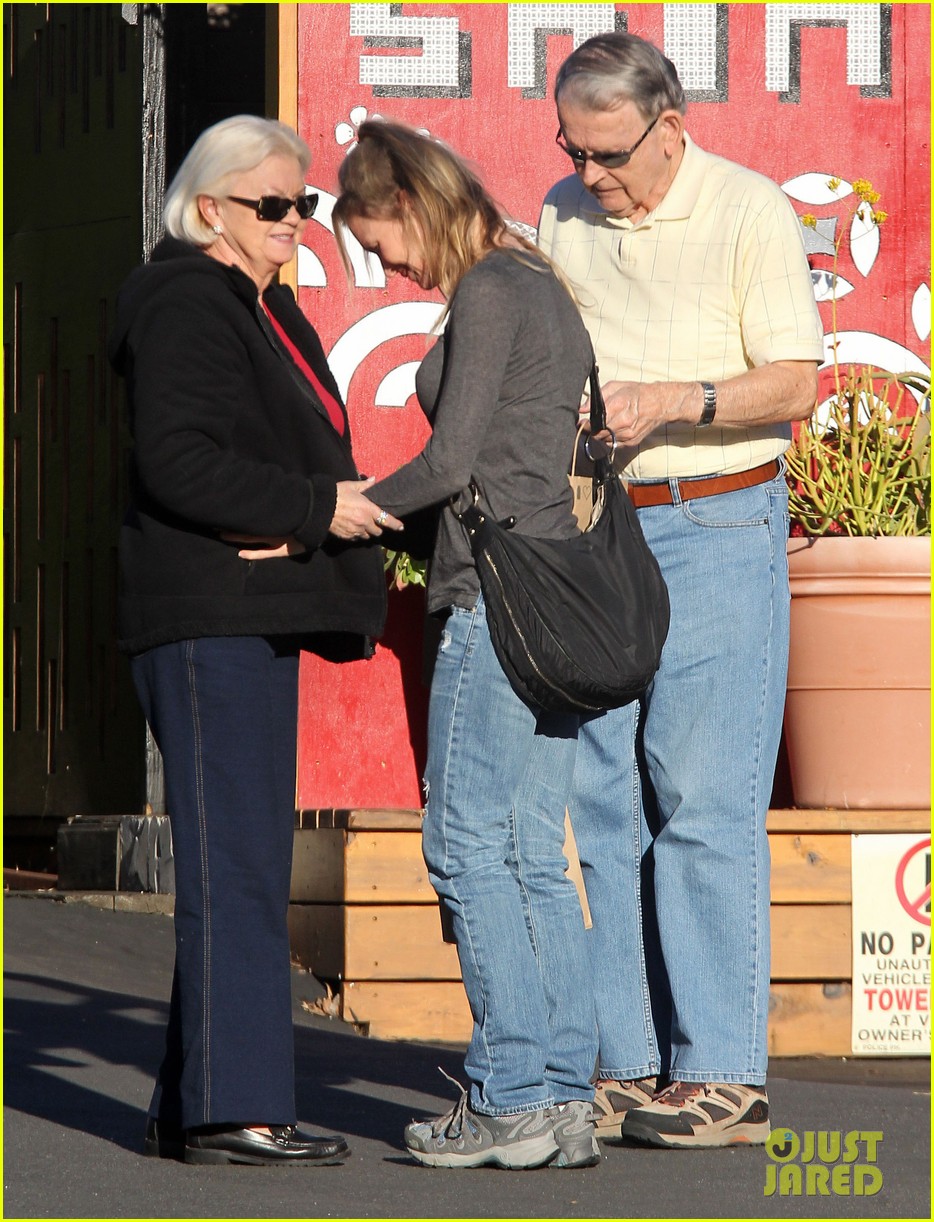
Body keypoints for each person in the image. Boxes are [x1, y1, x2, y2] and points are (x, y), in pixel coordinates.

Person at [538, 33, 824, 1149]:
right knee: (600, 798)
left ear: (670, 129)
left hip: (718, 516)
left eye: (608, 152)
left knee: (700, 799)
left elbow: (795, 382)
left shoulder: (749, 208)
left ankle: (723, 1076)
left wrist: (675, 399)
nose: (588, 172)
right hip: (598, 523)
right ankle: (625, 1062)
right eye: (572, 148)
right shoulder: (561, 211)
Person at [109, 114, 402, 1166]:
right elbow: (178, 462)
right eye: (272, 204)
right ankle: (234, 1110)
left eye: (303, 203)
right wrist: (313, 509)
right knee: (236, 865)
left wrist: (321, 513)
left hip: (242, 618)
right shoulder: (188, 299)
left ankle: (194, 1101)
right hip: (208, 619)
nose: (294, 220)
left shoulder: (259, 305)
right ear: (207, 210)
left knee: (241, 858)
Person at [329, 119, 600, 1169]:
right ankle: (562, 1099)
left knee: (463, 844)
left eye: (380, 240)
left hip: (497, 596)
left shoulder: (489, 289)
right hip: (559, 594)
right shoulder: (537, 279)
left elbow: (449, 465)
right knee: (531, 848)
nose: (387, 266)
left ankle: (509, 1096)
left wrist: (341, 511)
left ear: (408, 199)